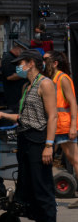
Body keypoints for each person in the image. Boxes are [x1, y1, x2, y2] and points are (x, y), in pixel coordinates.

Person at [0, 49, 58, 222]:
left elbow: (52, 116)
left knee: (42, 185)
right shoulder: (27, 86)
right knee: (29, 185)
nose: (19, 66)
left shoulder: (45, 84)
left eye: (22, 63)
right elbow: (23, 117)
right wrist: (1, 116)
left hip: (39, 140)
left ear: (31, 63)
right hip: (25, 138)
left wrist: (49, 145)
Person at [42, 51, 78, 209]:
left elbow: (73, 103)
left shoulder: (63, 78)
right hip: (54, 125)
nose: (42, 62)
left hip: (63, 125)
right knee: (46, 159)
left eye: (45, 60)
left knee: (75, 160)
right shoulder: (51, 79)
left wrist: (73, 126)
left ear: (55, 63)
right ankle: (46, 195)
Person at [0, 45, 25, 112]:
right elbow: (9, 77)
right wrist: (25, 73)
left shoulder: (17, 59)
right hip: (13, 95)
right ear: (17, 49)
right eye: (22, 51)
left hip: (19, 93)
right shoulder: (8, 59)